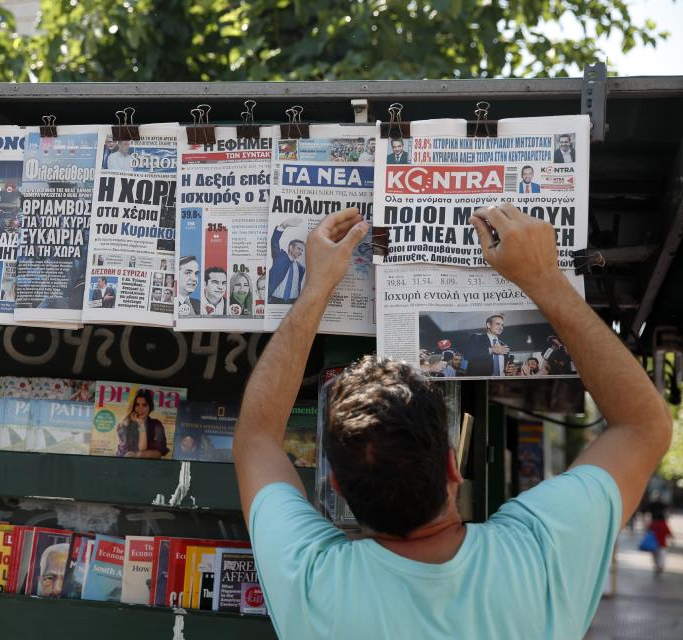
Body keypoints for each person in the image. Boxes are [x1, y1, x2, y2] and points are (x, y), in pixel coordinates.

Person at [232, 203, 671, 639]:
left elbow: (257, 438)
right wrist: (544, 279)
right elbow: (644, 425)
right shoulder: (538, 552)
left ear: (341, 489)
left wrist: (315, 292)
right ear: (451, 466)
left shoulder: (312, 584)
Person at [116, 389, 169, 459]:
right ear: (133, 407)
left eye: (144, 405)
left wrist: (141, 424)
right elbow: (126, 453)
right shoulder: (125, 423)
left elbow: (158, 453)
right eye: (137, 405)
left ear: (149, 407)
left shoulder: (156, 425)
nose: (140, 408)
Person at [268, 217, 306, 304]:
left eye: (302, 250)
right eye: (298, 248)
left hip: (293, 302)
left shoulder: (301, 268)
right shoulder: (280, 258)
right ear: (290, 247)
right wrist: (284, 225)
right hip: (276, 300)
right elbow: (274, 241)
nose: (300, 252)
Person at [643, 492, 673, 574]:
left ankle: (658, 565)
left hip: (655, 525)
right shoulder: (661, 505)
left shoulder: (652, 505)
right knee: (661, 550)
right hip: (658, 527)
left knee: (656, 551)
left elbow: (644, 512)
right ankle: (659, 565)